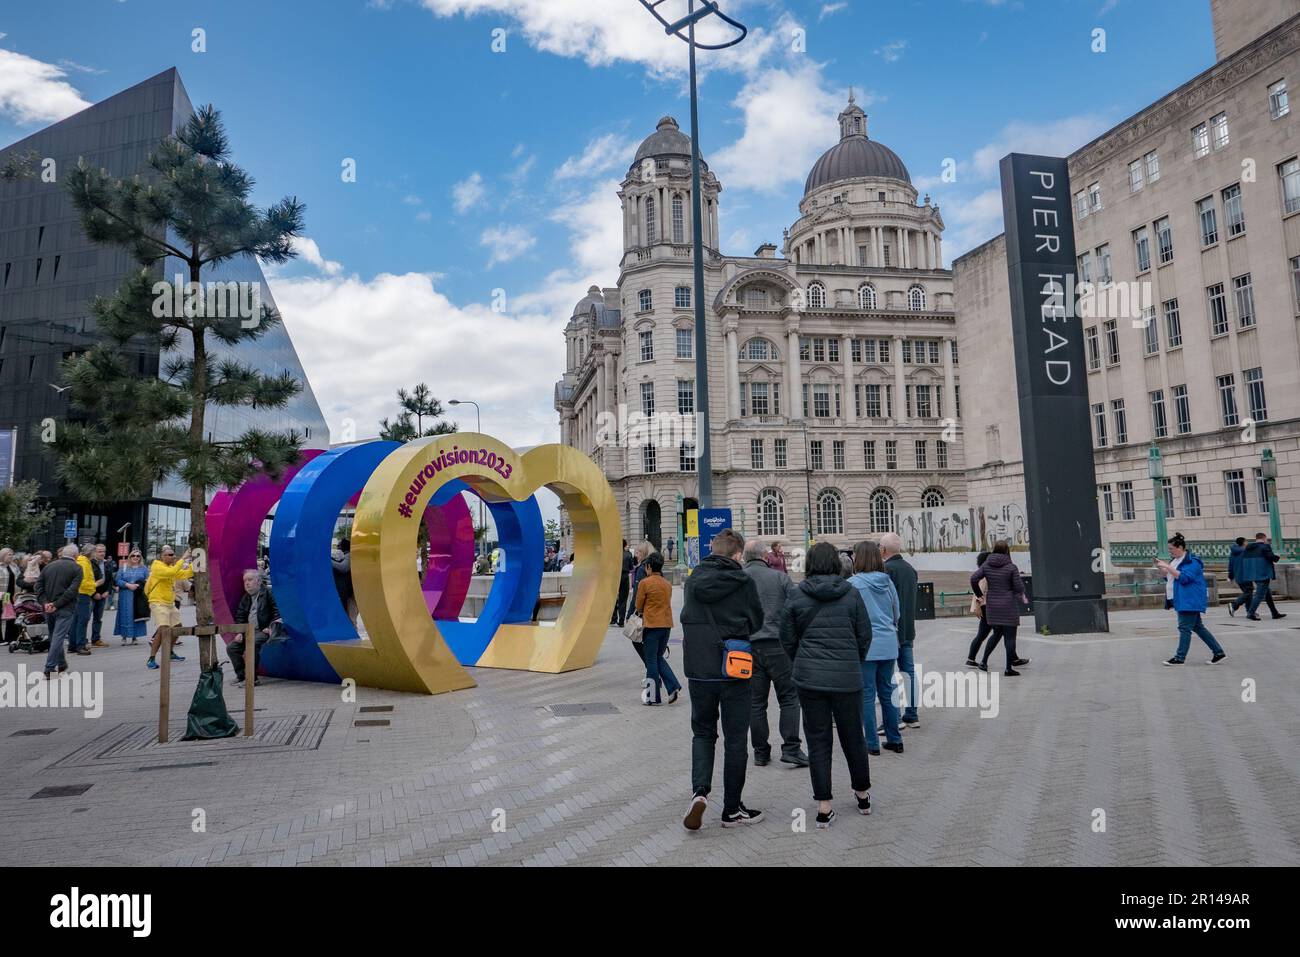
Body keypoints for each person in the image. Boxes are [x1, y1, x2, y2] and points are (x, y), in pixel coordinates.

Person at [781, 541, 873, 828]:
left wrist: (803, 661)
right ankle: (862, 795)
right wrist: (851, 661)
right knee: (853, 738)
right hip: (847, 679)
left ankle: (823, 806)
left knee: (818, 741)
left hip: (810, 681)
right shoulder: (852, 594)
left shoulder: (797, 595)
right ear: (835, 563)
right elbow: (864, 636)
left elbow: (787, 638)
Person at [680, 528, 765, 830]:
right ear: (738, 554)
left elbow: (685, 618)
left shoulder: (692, 581)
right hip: (733, 669)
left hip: (699, 671)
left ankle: (700, 793)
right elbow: (757, 620)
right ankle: (732, 810)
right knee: (736, 739)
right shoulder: (743, 580)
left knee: (702, 734)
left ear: (712, 550)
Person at [741, 539, 807, 768]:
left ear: (744, 557)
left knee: (755, 702)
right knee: (789, 698)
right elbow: (797, 609)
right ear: (765, 556)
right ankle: (791, 748)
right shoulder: (780, 578)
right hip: (778, 646)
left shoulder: (738, 579)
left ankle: (760, 752)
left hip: (749, 648)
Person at [849, 540, 903, 755]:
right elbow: (896, 612)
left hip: (866, 645)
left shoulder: (853, 584)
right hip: (889, 643)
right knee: (887, 692)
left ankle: (871, 743)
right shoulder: (887, 582)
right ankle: (895, 739)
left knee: (867, 695)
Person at [1156, 533, 1226, 666]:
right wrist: (1163, 569)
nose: (1169, 551)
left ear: (1180, 547)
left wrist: (1168, 567)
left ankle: (1180, 657)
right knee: (1198, 627)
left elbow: (1184, 578)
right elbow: (1170, 578)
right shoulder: (1175, 561)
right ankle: (1218, 652)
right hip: (1181, 598)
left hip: (1189, 598)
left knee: (1184, 628)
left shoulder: (1192, 561)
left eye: (1171, 549)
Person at [970, 540, 1031, 676]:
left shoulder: (986, 565)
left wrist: (979, 596)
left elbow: (974, 579)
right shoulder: (1011, 567)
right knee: (1010, 638)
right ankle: (1008, 668)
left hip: (993, 606)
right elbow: (1019, 587)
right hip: (1008, 605)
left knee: (996, 634)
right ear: (1007, 551)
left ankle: (983, 662)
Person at [880, 531, 920, 730]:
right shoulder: (910, 569)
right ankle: (912, 714)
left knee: (887, 676)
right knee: (909, 672)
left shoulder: (886, 570)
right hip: (908, 630)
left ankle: (893, 717)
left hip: (891, 630)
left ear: (884, 550)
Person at [634, 551, 680, 705]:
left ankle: (652, 697)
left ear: (648, 567)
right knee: (658, 657)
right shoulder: (667, 584)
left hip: (651, 626)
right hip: (666, 625)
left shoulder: (645, 583)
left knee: (651, 660)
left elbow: (638, 606)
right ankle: (673, 686)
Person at [37, 544, 83, 678]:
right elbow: (72, 591)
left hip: (48, 608)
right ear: (76, 555)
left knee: (54, 636)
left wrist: (46, 603)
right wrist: (56, 604)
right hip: (65, 608)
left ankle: (61, 664)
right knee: (58, 637)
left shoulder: (48, 566)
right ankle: (49, 667)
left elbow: (38, 586)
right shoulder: (77, 568)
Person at [144, 546, 193, 670]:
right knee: (163, 629)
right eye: (170, 555)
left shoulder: (172, 568)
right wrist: (184, 558)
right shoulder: (156, 566)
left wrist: (196, 563)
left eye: (174, 554)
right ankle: (151, 658)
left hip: (169, 603)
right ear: (162, 556)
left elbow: (186, 573)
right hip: (158, 602)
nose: (173, 556)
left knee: (178, 627)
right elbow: (170, 573)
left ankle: (170, 652)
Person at [231, 568, 280, 685]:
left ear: (258, 581)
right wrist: (239, 633)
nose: (247, 583)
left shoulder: (268, 593)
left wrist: (270, 627)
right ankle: (242, 675)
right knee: (232, 648)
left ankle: (252, 679)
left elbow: (277, 612)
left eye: (250, 580)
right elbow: (240, 616)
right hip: (249, 631)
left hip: (265, 630)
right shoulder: (246, 597)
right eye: (245, 581)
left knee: (251, 644)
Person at [1241, 532, 1286, 621]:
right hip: (1263, 574)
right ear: (1264, 538)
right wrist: (1278, 556)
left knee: (1267, 594)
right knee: (1259, 595)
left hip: (1253, 574)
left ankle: (1274, 613)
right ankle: (1251, 613)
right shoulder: (1265, 547)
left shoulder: (1248, 548)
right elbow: (1272, 558)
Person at [114, 548, 149, 645]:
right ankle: (124, 637)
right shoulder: (124, 567)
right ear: (129, 557)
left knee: (136, 614)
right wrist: (128, 585)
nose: (135, 557)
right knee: (125, 614)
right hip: (125, 595)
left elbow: (148, 580)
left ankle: (135, 637)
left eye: (138, 556)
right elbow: (118, 580)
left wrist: (139, 585)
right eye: (133, 555)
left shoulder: (144, 568)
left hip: (138, 596)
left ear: (140, 557)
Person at [965, 550, 993, 667]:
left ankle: (971, 659)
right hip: (985, 607)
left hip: (985, 607)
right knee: (999, 633)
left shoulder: (984, 573)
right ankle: (1013, 658)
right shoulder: (984, 575)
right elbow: (979, 592)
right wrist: (977, 607)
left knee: (982, 634)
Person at [69, 544, 98, 654]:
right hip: (83, 593)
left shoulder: (80, 561)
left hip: (78, 594)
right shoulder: (84, 563)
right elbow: (83, 580)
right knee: (82, 620)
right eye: (95, 552)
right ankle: (80, 645)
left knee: (75, 621)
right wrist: (94, 585)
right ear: (91, 552)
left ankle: (72, 645)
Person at [89, 544, 111, 648]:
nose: (102, 553)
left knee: (98, 618)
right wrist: (94, 593)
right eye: (100, 551)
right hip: (91, 594)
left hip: (103, 595)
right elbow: (88, 580)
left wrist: (108, 591)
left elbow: (110, 579)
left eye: (104, 551)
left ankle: (96, 639)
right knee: (85, 618)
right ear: (94, 552)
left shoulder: (107, 563)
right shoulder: (90, 563)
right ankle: (81, 640)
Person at [625, 540, 654, 623]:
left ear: (643, 553)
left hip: (645, 612)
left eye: (637, 552)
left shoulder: (642, 569)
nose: (636, 555)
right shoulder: (655, 567)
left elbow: (637, 594)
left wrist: (629, 614)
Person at [332, 539, 358, 626]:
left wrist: (328, 561)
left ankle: (354, 637)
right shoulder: (346, 556)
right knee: (348, 616)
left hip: (354, 592)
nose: (337, 548)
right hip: (351, 592)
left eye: (339, 546)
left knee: (351, 617)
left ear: (343, 547)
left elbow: (343, 568)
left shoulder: (349, 555)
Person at [1226, 537, 1254, 617]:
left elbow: (1231, 565)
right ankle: (1234, 605)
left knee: (1248, 593)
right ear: (1244, 542)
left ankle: (1249, 611)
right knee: (1248, 592)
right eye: (1246, 541)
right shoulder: (1246, 551)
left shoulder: (1233, 552)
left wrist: (1230, 576)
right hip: (1246, 575)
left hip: (1238, 576)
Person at [612, 539, 632, 627]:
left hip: (615, 576)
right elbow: (631, 567)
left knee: (613, 598)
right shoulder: (628, 554)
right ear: (625, 545)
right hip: (624, 576)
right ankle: (621, 620)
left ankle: (613, 618)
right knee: (623, 599)